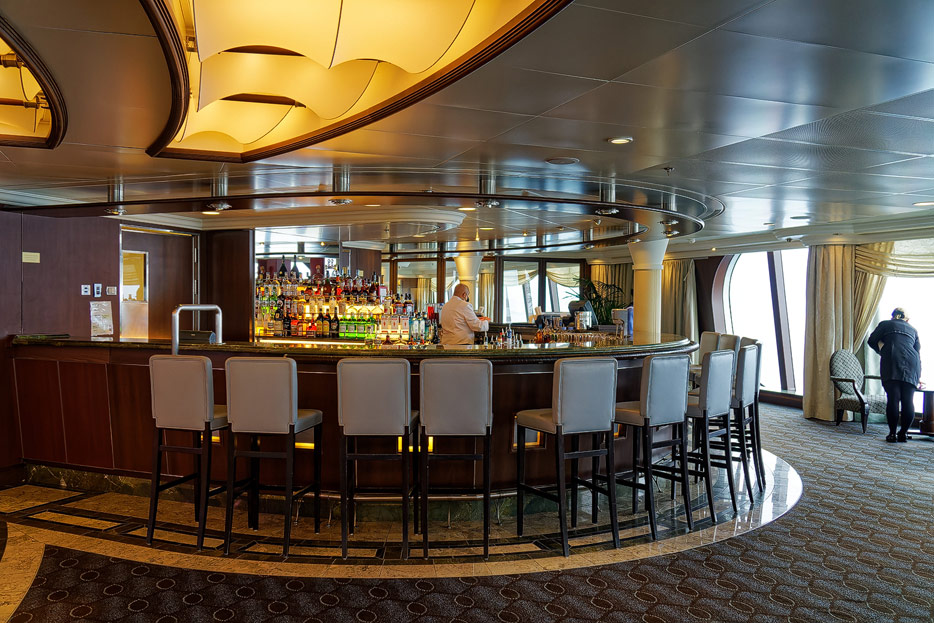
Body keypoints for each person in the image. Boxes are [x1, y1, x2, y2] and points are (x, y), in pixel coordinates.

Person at [868, 307, 921, 443]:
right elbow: (917, 352)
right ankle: (903, 433)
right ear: (907, 319)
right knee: (908, 400)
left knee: (893, 398)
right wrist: (918, 376)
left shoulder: (885, 324)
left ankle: (892, 434)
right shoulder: (913, 330)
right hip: (912, 363)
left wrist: (883, 351)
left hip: (892, 359)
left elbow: (871, 340)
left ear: (893, 316)